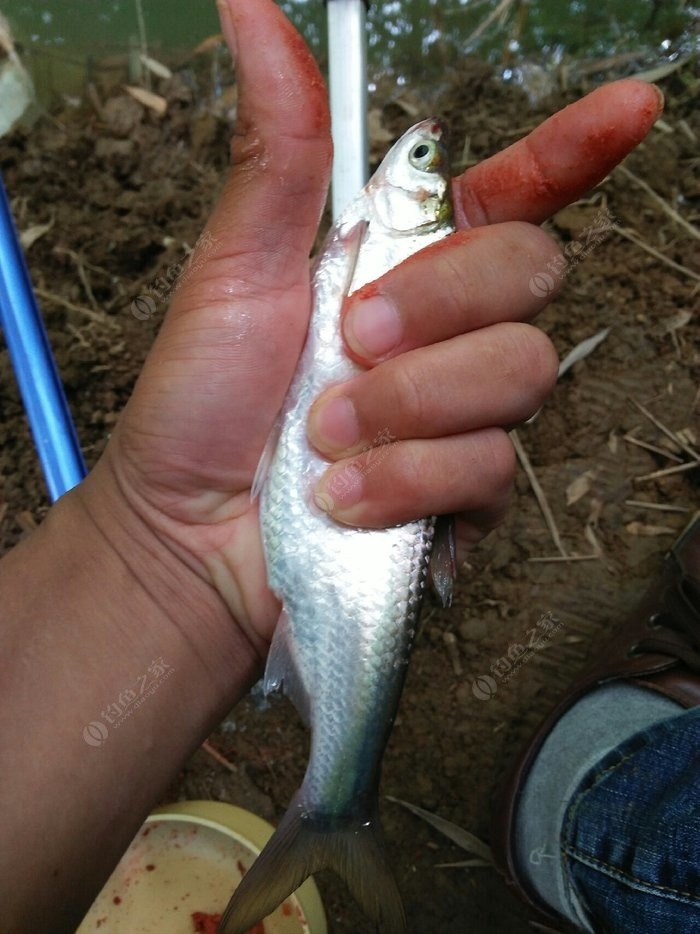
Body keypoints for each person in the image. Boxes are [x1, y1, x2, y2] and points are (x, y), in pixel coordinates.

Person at [1, 0, 694, 931]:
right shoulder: (365, 243)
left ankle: (363, 806)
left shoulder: (376, 242)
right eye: (420, 161)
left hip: (311, 552)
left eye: (419, 166)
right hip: (315, 539)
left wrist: (155, 560)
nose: (412, 159)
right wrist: (154, 547)